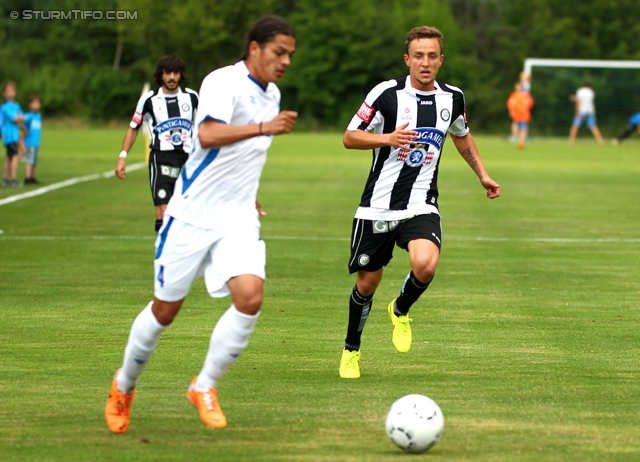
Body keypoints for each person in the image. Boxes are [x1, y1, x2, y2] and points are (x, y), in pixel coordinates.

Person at [105, 15, 298, 433]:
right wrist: (267, 126)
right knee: (165, 310)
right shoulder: (221, 82)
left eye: (289, 55)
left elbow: (245, 154)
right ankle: (124, 385)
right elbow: (208, 134)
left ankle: (204, 385)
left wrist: (250, 191)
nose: (284, 61)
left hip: (237, 216)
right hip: (191, 213)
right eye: (278, 52)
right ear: (254, 48)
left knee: (250, 297)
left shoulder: (273, 93)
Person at [338, 25, 500, 379]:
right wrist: (388, 138)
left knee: (425, 264)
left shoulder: (452, 98)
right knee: (367, 284)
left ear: (440, 60)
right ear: (407, 59)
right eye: (418, 56)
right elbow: (350, 137)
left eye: (431, 56)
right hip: (378, 206)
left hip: (421, 202)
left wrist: (482, 174)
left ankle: (399, 309)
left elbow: (461, 135)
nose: (424, 63)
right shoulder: (386, 94)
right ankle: (352, 350)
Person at [115, 55, 199, 233]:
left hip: (188, 160)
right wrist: (123, 157)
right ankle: (164, 257)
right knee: (163, 211)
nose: (171, 77)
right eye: (167, 73)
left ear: (181, 75)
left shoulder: (192, 98)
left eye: (175, 73)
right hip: (161, 159)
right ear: (160, 75)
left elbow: (203, 128)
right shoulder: (149, 100)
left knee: (189, 212)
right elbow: (133, 127)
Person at [1, 82, 25, 187]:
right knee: (15, 155)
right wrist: (18, 118)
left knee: (9, 157)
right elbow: (16, 118)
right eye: (7, 91)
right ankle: (13, 179)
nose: (10, 93)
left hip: (15, 134)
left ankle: (5, 179)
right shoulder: (5, 106)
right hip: (8, 134)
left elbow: (23, 117)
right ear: (4, 93)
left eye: (12, 90)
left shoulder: (16, 105)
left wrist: (20, 120)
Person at [568, 81, 604, 145]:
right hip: (590, 111)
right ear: (589, 86)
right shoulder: (591, 92)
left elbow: (579, 101)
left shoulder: (580, 91)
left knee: (575, 126)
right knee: (593, 126)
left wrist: (577, 112)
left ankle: (571, 141)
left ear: (583, 85)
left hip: (581, 111)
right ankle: (600, 141)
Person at [506, 81, 534, 149]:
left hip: (524, 114)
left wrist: (525, 108)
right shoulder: (513, 95)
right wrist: (511, 111)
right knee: (515, 126)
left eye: (519, 86)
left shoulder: (526, 95)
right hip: (516, 114)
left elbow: (530, 103)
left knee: (523, 128)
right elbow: (511, 104)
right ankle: (516, 138)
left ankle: (522, 141)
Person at [22, 95, 42, 185]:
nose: (36, 105)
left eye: (37, 103)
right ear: (29, 105)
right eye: (34, 103)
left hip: (36, 142)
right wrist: (24, 132)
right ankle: (27, 178)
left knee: (34, 161)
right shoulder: (28, 116)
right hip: (29, 142)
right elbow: (21, 122)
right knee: (29, 160)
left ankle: (32, 177)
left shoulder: (38, 116)